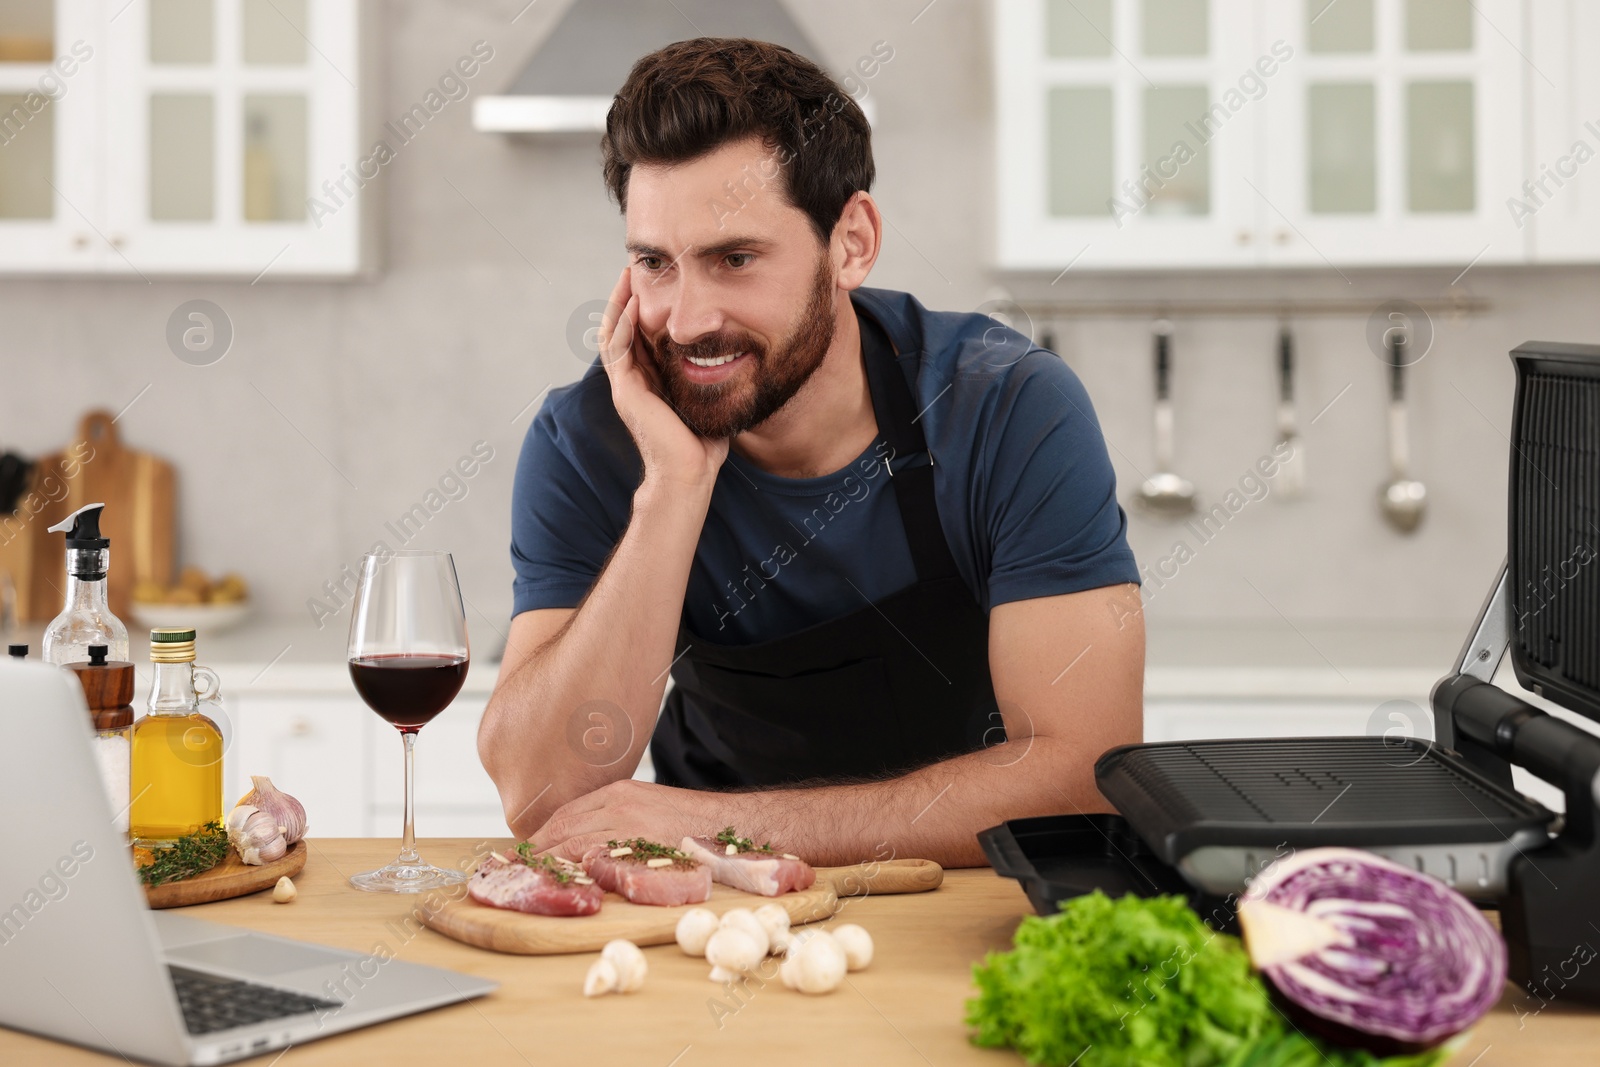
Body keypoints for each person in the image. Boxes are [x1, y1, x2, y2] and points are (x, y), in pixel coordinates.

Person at [478, 37, 1143, 868]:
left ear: (852, 242)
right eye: (655, 263)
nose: (686, 321)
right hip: (710, 918)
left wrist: (726, 829)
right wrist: (675, 489)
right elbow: (540, 794)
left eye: (736, 259)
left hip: (964, 901)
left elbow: (1084, 774)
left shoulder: (1007, 409)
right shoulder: (593, 439)